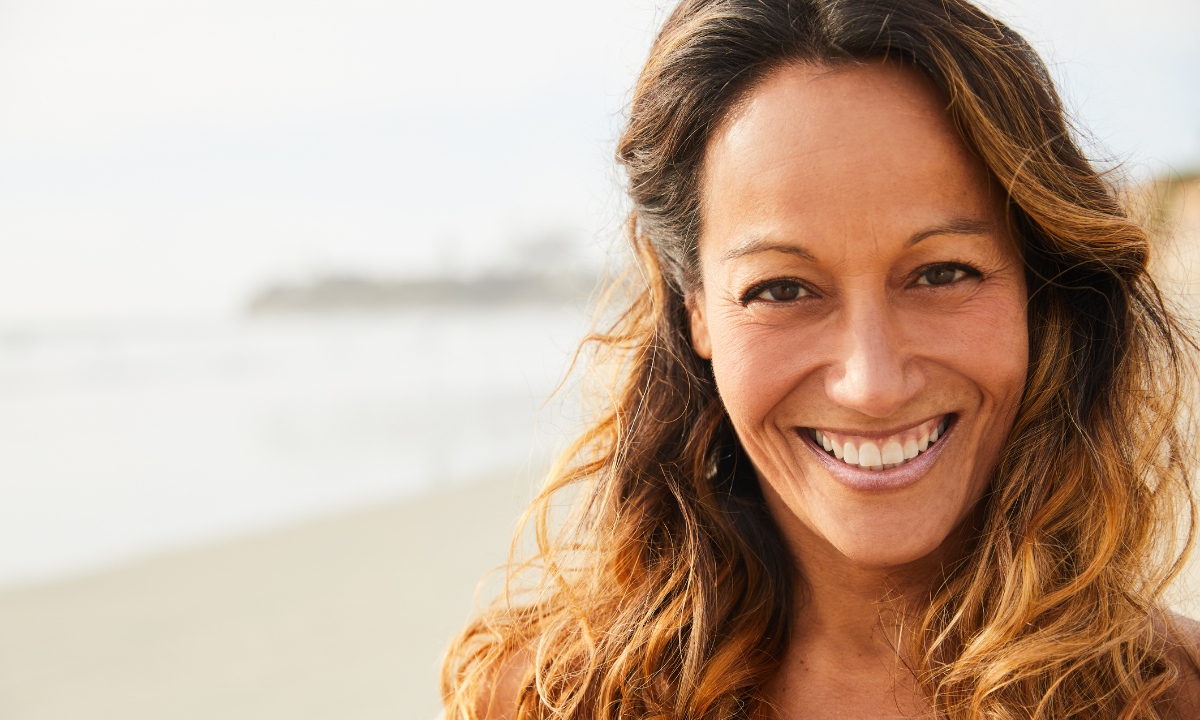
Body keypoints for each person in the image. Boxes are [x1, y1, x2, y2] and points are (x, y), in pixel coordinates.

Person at [442, 0, 1200, 717]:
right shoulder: (547, 696)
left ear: (1039, 289)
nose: (871, 384)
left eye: (942, 273)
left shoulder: (1178, 697)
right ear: (694, 306)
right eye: (783, 288)